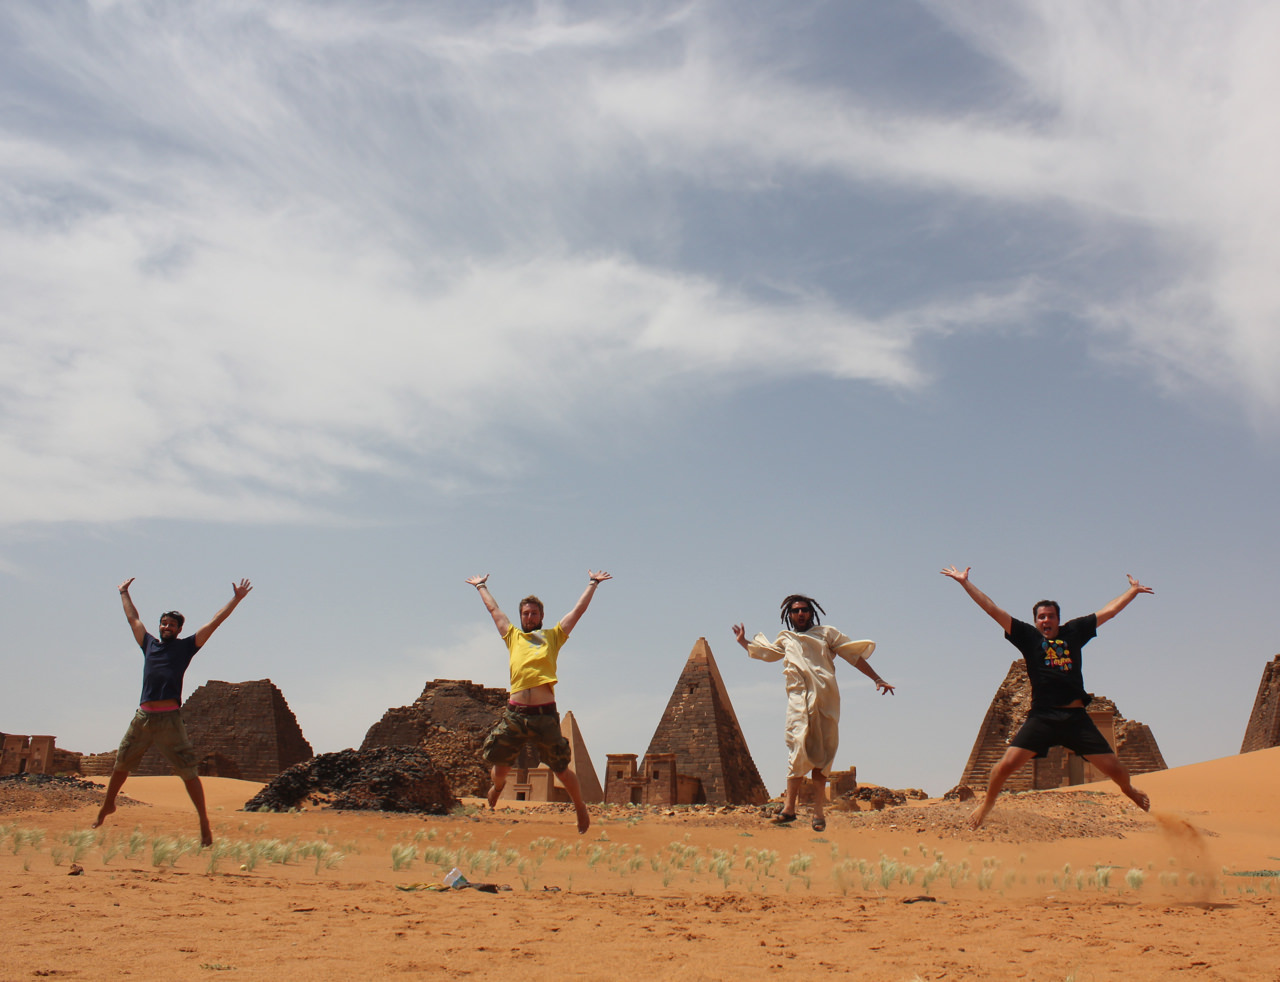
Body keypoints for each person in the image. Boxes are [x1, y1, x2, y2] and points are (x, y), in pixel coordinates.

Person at [940, 566, 1153, 830]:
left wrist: (1132, 591)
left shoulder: (1074, 632)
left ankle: (1128, 790)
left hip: (1075, 718)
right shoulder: (1028, 637)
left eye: (1050, 616)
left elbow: (1108, 612)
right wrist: (965, 583)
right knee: (1003, 766)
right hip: (1042, 718)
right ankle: (987, 804)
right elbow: (992, 610)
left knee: (1118, 770)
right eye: (1041, 617)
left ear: (1058, 619)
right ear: (1036, 620)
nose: (1045, 621)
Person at [93, 577, 253, 846]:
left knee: (188, 771)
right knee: (121, 763)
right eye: (163, 623)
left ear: (179, 629)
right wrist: (123, 593)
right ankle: (108, 804)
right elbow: (133, 619)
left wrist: (236, 599)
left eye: (171, 624)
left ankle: (203, 821)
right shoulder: (149, 644)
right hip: (143, 717)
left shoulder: (186, 647)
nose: (166, 627)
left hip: (169, 720)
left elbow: (214, 622)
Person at [465, 570, 611, 834]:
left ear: (541, 616)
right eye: (525, 614)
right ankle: (497, 789)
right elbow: (494, 611)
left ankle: (580, 808)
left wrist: (593, 583)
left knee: (561, 769)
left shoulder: (553, 637)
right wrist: (481, 586)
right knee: (500, 768)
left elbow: (577, 612)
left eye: (533, 613)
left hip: (544, 716)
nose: (529, 617)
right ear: (521, 617)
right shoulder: (513, 637)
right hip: (515, 714)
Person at [733, 595, 894, 832]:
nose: (801, 614)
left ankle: (818, 812)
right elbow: (766, 652)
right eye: (796, 611)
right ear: (789, 615)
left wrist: (877, 678)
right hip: (798, 700)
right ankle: (789, 808)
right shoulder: (785, 638)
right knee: (797, 745)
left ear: (811, 612)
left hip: (826, 699)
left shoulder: (827, 634)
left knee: (824, 753)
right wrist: (743, 642)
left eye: (805, 610)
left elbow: (853, 656)